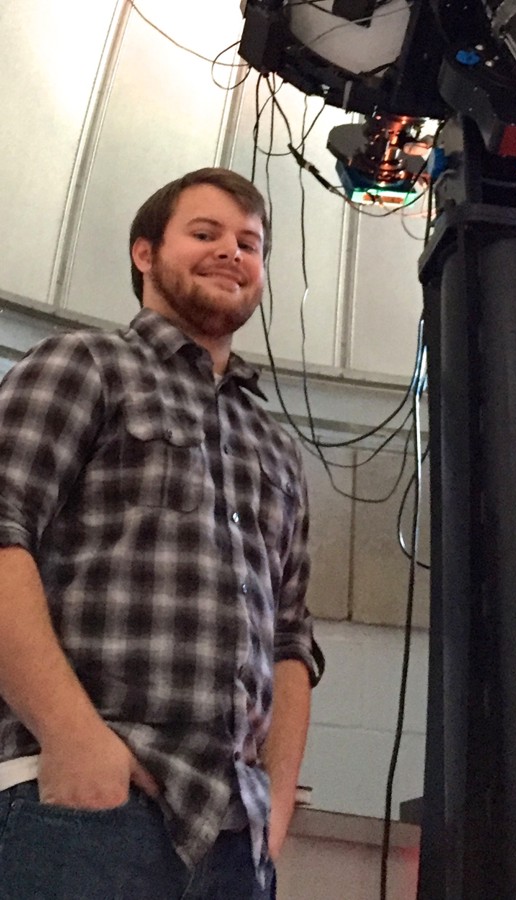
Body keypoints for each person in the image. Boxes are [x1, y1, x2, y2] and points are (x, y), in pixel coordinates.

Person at [0, 168, 323, 899]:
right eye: (205, 233)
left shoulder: (277, 447)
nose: (232, 252)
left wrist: (275, 806)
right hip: (82, 811)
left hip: (236, 843)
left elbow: (291, 640)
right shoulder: (84, 364)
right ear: (144, 253)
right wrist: (73, 738)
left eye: (249, 243)